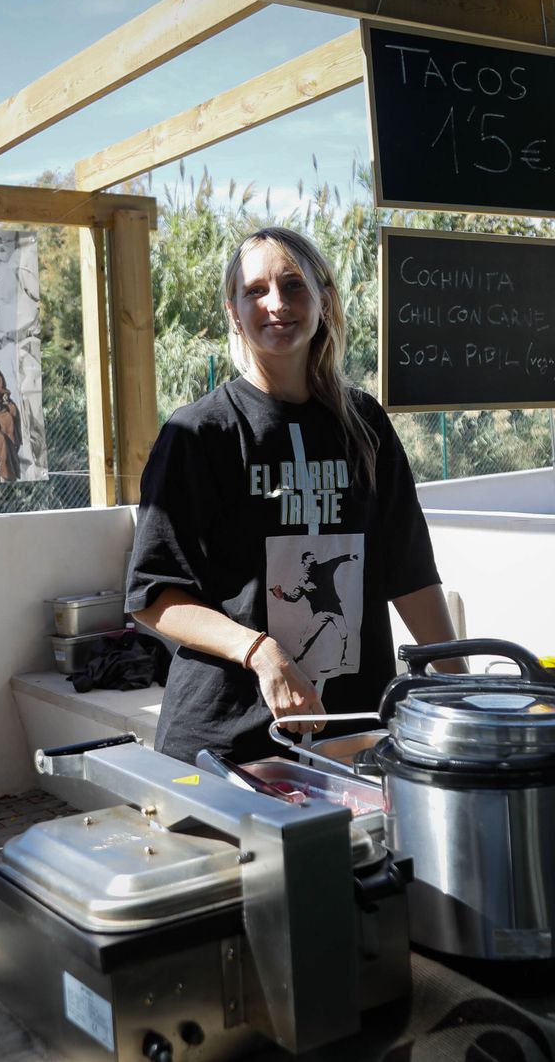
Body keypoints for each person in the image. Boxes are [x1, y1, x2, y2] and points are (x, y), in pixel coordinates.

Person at [126, 226, 463, 764]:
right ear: (234, 312)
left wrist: (459, 691)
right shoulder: (199, 433)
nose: (276, 304)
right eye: (255, 290)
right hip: (228, 738)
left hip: (351, 731)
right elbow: (154, 597)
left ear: (324, 301)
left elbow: (411, 573)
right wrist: (261, 653)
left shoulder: (365, 424)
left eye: (293, 285)